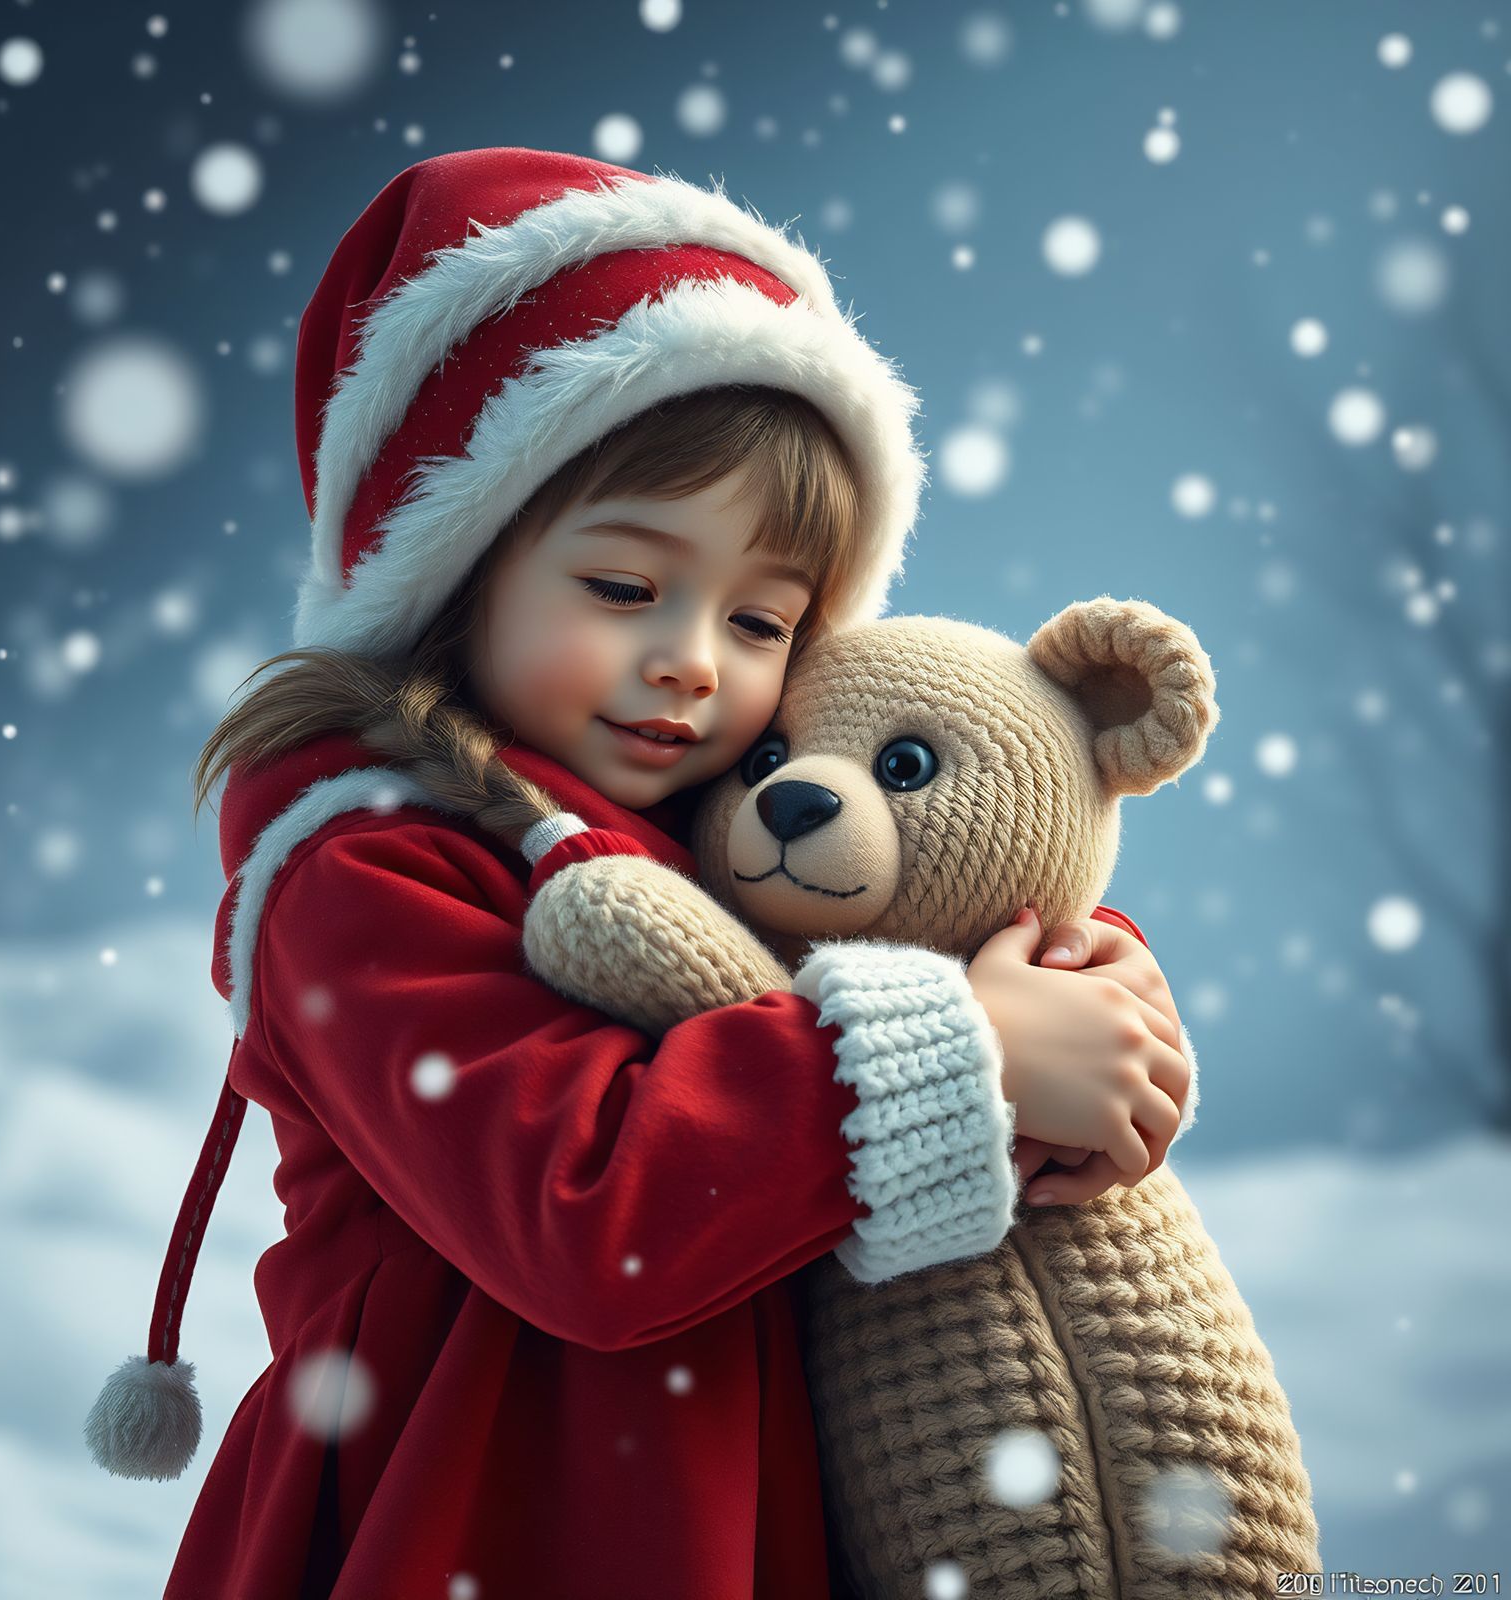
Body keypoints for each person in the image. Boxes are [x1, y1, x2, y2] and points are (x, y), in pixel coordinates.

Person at [83, 148, 1194, 1600]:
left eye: (764, 622)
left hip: (741, 1523)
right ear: (457, 568)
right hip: (469, 1523)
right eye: (624, 588)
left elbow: (884, 912)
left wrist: (1069, 983)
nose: (692, 659)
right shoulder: (361, 870)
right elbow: (586, 1209)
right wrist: (975, 1049)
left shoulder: (712, 824)